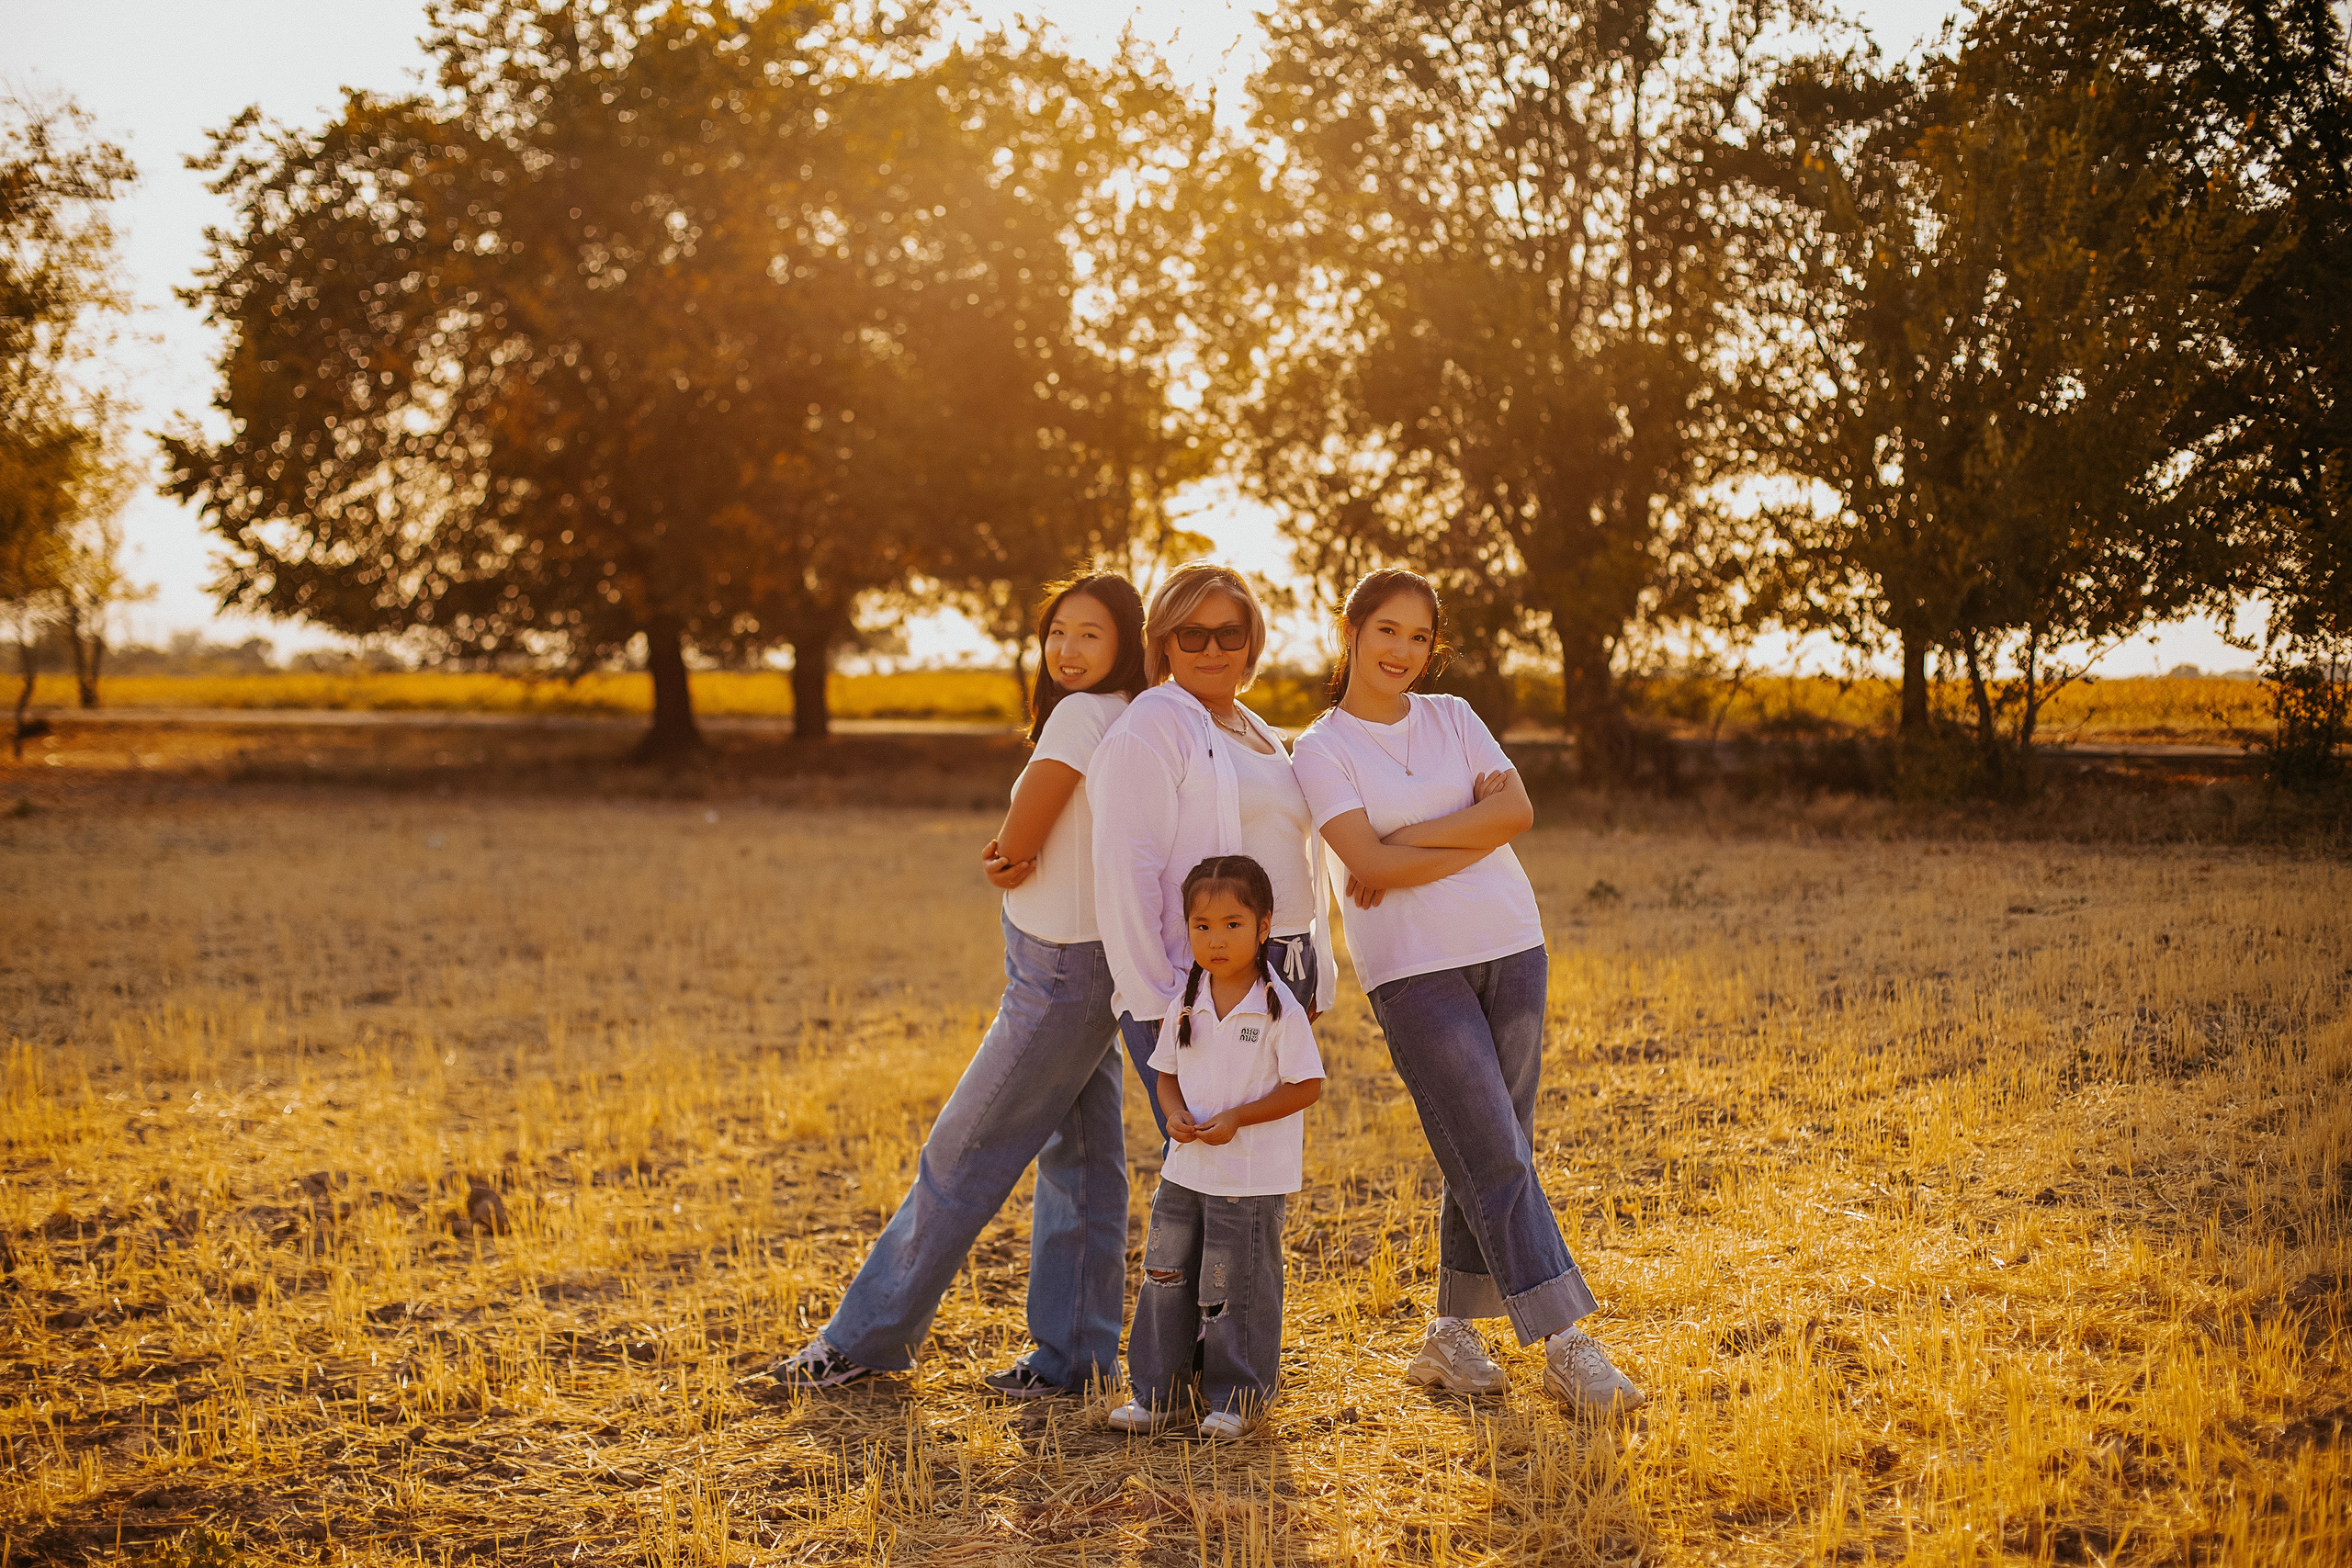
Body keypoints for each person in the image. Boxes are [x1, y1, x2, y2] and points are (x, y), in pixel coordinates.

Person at [769, 572, 1148, 1397]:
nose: (1067, 649)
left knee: (962, 1151)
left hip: (1059, 973)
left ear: (1126, 641)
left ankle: (865, 1337)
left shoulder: (1084, 715)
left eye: (1090, 633)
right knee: (1082, 1159)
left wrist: (1002, 860)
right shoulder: (1135, 717)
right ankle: (1075, 1360)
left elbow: (1017, 843)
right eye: (1057, 633)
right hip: (1090, 961)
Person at [1290, 568, 1644, 1416]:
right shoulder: (1320, 747)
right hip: (1412, 968)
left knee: (1492, 1147)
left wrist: (1404, 839)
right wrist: (1455, 837)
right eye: (1388, 631)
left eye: (1419, 637)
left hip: (1513, 943)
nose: (1403, 652)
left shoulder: (1454, 716)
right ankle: (1568, 1342)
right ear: (1351, 630)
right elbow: (1364, 866)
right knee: (1493, 1150)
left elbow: (1514, 813)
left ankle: (1449, 1332)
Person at [1091, 563, 1333, 1146]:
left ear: (1251, 641)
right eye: (1191, 634)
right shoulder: (1152, 725)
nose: (1212, 648)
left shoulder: (1257, 728)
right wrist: (1158, 1001)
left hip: (1282, 968)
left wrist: (1311, 977)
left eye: (1230, 633)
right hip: (1202, 981)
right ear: (1164, 642)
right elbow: (1125, 873)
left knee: (1261, 1163)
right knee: (1212, 1167)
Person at [1107, 855, 1324, 1439]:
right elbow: (1166, 1073)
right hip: (1186, 1172)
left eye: (1233, 924)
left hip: (1246, 1182)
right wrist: (1175, 1113)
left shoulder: (1279, 1008)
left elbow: (1308, 1086)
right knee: (1165, 1276)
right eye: (1202, 926)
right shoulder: (1187, 998)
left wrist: (1238, 1119)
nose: (1216, 939)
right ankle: (1161, 1395)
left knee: (1235, 1288)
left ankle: (1238, 1400)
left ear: (1264, 926)